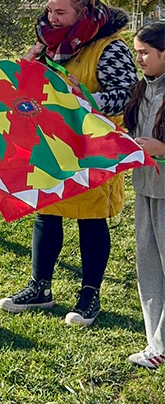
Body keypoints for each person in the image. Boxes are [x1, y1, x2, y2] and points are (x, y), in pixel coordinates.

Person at [0, 0, 138, 326]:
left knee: (91, 217)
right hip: (53, 143)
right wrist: (25, 71)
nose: (52, 17)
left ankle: (89, 296)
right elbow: (33, 93)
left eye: (60, 12)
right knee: (47, 210)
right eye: (49, 10)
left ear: (83, 13)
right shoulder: (48, 44)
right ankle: (40, 288)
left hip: (94, 146)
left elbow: (128, 95)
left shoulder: (110, 47)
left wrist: (85, 98)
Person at [124, 22, 165, 370]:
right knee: (149, 268)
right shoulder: (140, 89)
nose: (139, 59)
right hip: (145, 189)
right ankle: (157, 344)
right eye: (137, 52)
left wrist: (161, 149)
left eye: (145, 53)